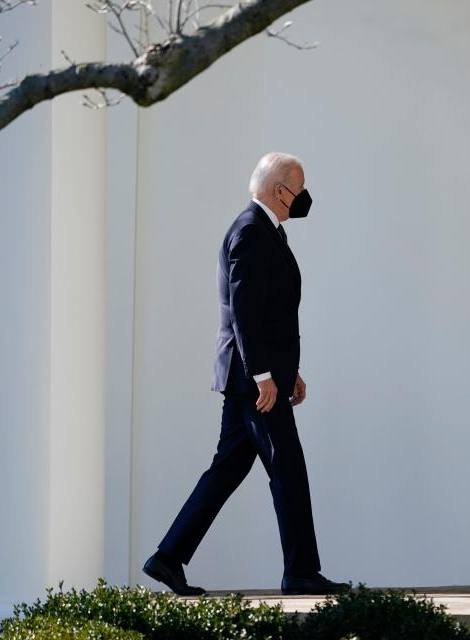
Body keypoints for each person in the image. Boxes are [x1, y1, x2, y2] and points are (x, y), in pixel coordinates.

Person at [142, 152, 344, 596]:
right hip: (252, 381)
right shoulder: (252, 232)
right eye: (299, 187)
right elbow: (245, 316)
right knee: (287, 467)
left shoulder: (266, 232)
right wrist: (263, 376)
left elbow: (269, 315)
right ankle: (301, 572)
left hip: (256, 376)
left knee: (228, 468)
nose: (304, 196)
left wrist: (288, 372)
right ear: (279, 190)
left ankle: (167, 557)